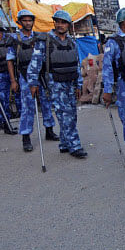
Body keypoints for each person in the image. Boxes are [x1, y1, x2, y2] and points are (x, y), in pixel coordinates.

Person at [27, 10, 87, 159]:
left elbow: (77, 63)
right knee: (65, 115)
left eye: (63, 22)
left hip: (70, 83)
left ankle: (64, 144)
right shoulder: (45, 41)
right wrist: (33, 83)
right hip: (55, 84)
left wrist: (79, 84)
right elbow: (35, 64)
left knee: (71, 114)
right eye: (58, 22)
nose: (60, 25)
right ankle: (75, 145)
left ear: (68, 24)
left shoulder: (72, 41)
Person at [7, 9, 59, 152]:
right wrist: (13, 80)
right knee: (28, 106)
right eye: (25, 20)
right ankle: (26, 136)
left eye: (30, 20)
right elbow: (10, 61)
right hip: (24, 76)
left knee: (47, 103)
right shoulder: (14, 39)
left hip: (41, 75)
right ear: (20, 22)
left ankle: (49, 130)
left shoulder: (40, 37)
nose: (28, 23)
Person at [102, 7, 125, 164]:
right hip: (124, 85)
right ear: (124, 22)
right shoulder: (113, 42)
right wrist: (107, 90)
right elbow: (107, 68)